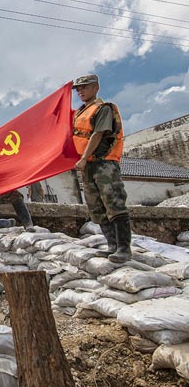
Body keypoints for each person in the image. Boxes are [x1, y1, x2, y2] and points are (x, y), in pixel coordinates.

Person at [72, 74, 130, 263]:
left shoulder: (103, 109)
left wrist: (82, 158)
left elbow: (97, 134)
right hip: (87, 166)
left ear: (96, 88)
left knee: (113, 203)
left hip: (104, 163)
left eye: (84, 87)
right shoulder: (79, 113)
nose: (80, 91)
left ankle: (123, 248)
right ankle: (111, 245)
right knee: (96, 207)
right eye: (78, 89)